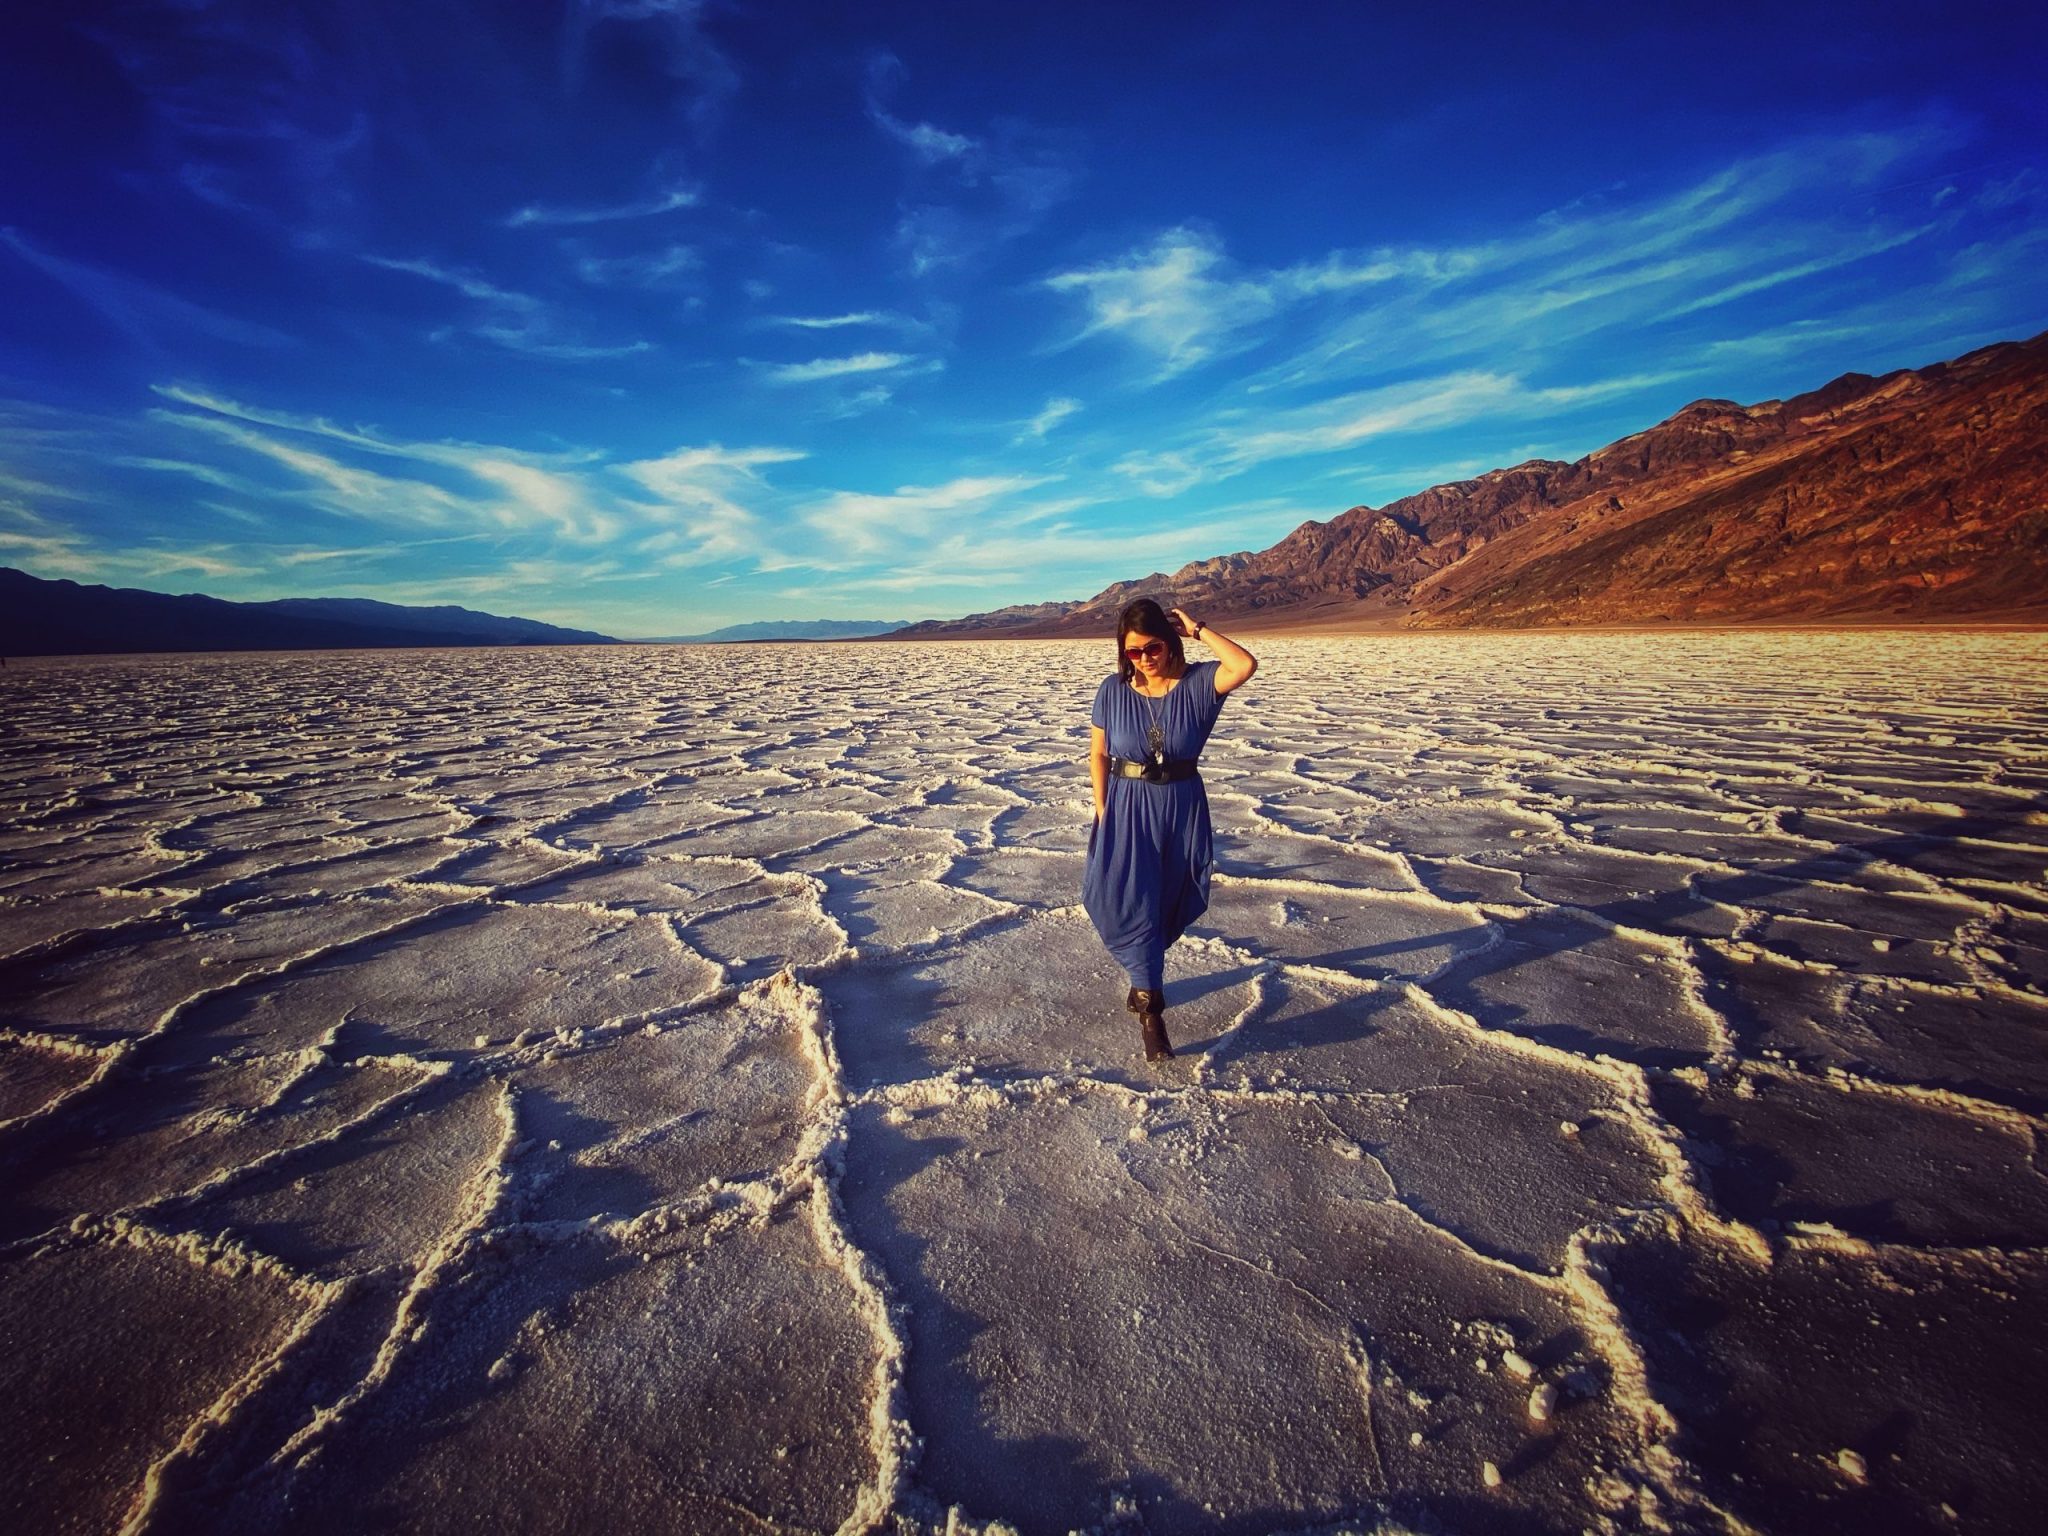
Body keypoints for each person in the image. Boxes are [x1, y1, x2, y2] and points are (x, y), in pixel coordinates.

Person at [1082, 598, 1258, 1062]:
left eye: (1152, 647)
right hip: (1125, 806)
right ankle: (1150, 1008)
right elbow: (1098, 754)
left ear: (1170, 640)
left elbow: (1243, 664)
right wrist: (1103, 808)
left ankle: (1145, 985)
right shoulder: (1112, 690)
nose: (1143, 659)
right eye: (1132, 652)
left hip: (1180, 808)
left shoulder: (1200, 684)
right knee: (1126, 900)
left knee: (1165, 900)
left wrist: (1199, 629)